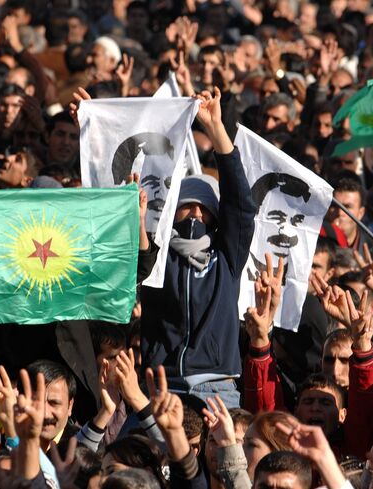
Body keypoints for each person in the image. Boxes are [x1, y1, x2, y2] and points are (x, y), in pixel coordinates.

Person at [139, 88, 256, 408]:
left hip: (217, 388)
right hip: (161, 387)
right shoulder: (157, 255)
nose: (196, 215)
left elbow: (242, 206)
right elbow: (137, 268)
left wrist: (216, 129)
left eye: (204, 209)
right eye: (187, 207)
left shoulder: (227, 256)